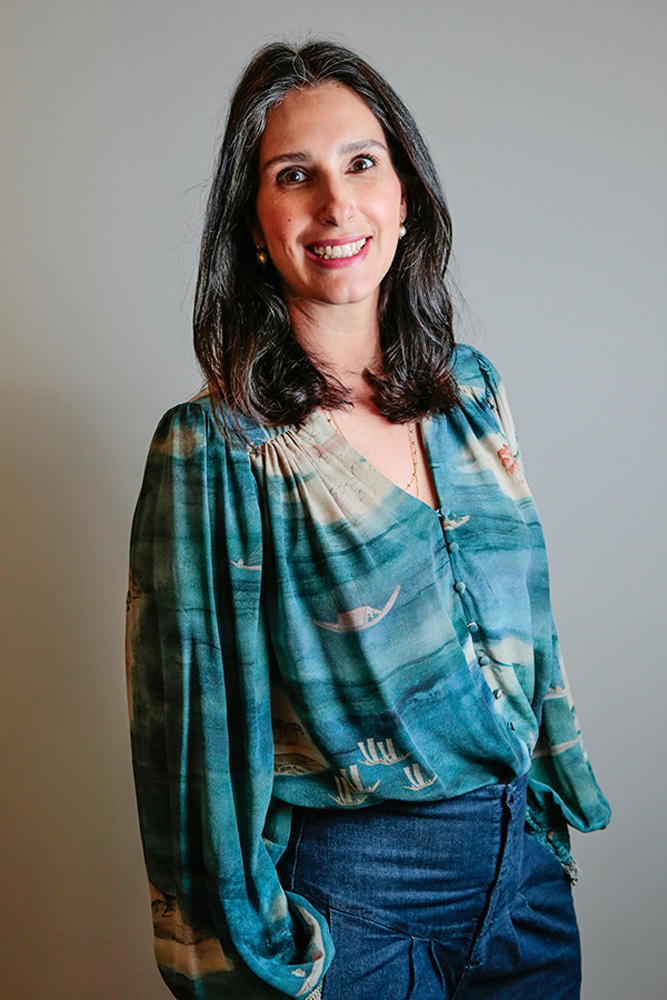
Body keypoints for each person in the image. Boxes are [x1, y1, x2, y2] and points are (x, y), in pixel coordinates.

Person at [126, 40, 611, 1000]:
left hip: (521, 878)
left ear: (405, 199)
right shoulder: (217, 449)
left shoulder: (472, 395)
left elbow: (529, 636)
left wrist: (543, 819)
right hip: (351, 905)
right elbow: (188, 744)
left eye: (361, 164)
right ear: (253, 224)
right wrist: (249, 953)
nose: (334, 204)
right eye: (292, 175)